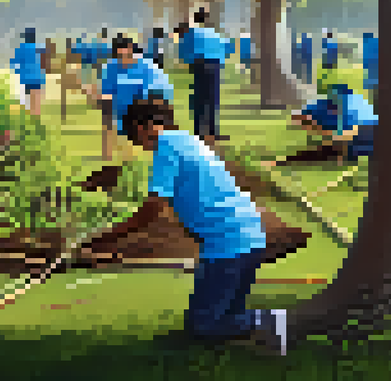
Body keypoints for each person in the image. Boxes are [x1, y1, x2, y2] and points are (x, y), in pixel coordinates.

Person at [87, 97, 286, 356]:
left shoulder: (166, 148)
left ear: (146, 127)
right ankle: (256, 329)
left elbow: (151, 211)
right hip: (248, 236)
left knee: (203, 325)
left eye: (134, 135)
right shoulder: (188, 140)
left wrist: (104, 238)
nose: (137, 144)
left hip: (229, 244)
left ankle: (270, 320)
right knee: (221, 315)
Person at [98, 36, 174, 161]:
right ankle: (109, 154)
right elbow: (106, 93)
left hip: (147, 108)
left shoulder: (148, 68)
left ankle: (159, 149)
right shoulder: (110, 68)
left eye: (126, 55)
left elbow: (157, 95)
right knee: (107, 113)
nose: (123, 60)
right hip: (123, 110)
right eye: (120, 56)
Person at [180, 10, 234, 143]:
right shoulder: (216, 33)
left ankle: (198, 131)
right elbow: (227, 49)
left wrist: (188, 61)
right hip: (214, 64)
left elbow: (184, 50)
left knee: (199, 97)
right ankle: (212, 131)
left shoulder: (191, 32)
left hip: (199, 64)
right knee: (212, 98)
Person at [291, 82, 375, 164]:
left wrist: (329, 135)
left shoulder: (347, 109)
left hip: (363, 134)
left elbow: (348, 133)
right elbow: (299, 116)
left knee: (337, 148)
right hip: (361, 133)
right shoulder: (325, 106)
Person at [11, 28, 46, 117]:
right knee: (36, 101)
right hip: (37, 77)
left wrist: (18, 72)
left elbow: (14, 63)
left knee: (27, 102)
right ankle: (36, 117)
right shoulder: (39, 48)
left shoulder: (21, 49)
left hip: (25, 78)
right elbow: (44, 63)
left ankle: (29, 117)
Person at [362, 32, 378, 103]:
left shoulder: (366, 44)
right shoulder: (376, 42)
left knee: (372, 85)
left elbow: (366, 58)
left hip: (371, 67)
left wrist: (365, 66)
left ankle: (373, 101)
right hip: (375, 66)